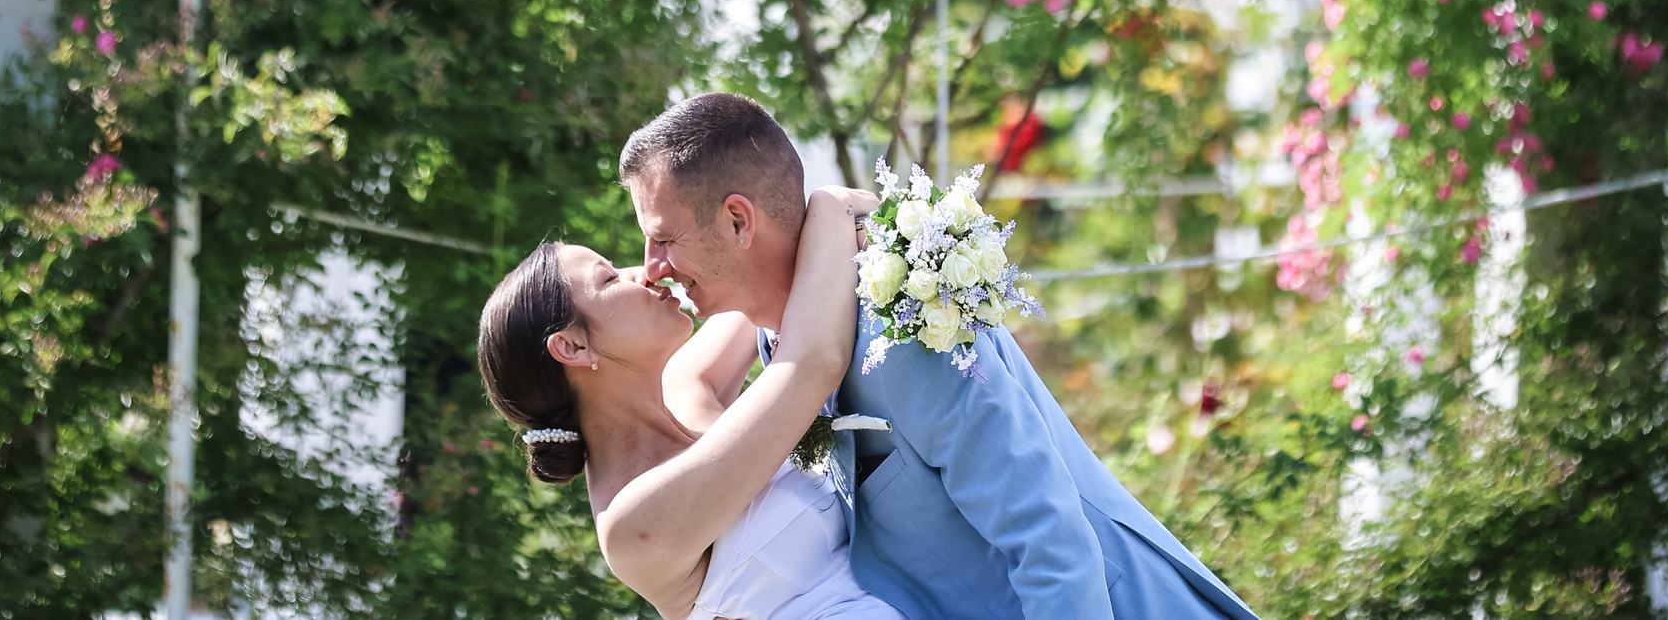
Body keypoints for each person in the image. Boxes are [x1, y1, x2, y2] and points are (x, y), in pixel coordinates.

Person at [621, 93, 1261, 620]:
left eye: (663, 239)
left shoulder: (896, 333)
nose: (651, 268)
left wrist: (832, 208)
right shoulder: (780, 344)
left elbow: (1051, 544)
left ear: (738, 220)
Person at [479, 182, 905, 620]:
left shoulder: (687, 387)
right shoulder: (631, 529)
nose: (645, 273)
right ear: (572, 347)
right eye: (608, 278)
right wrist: (832, 205)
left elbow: (765, 276)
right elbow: (814, 362)